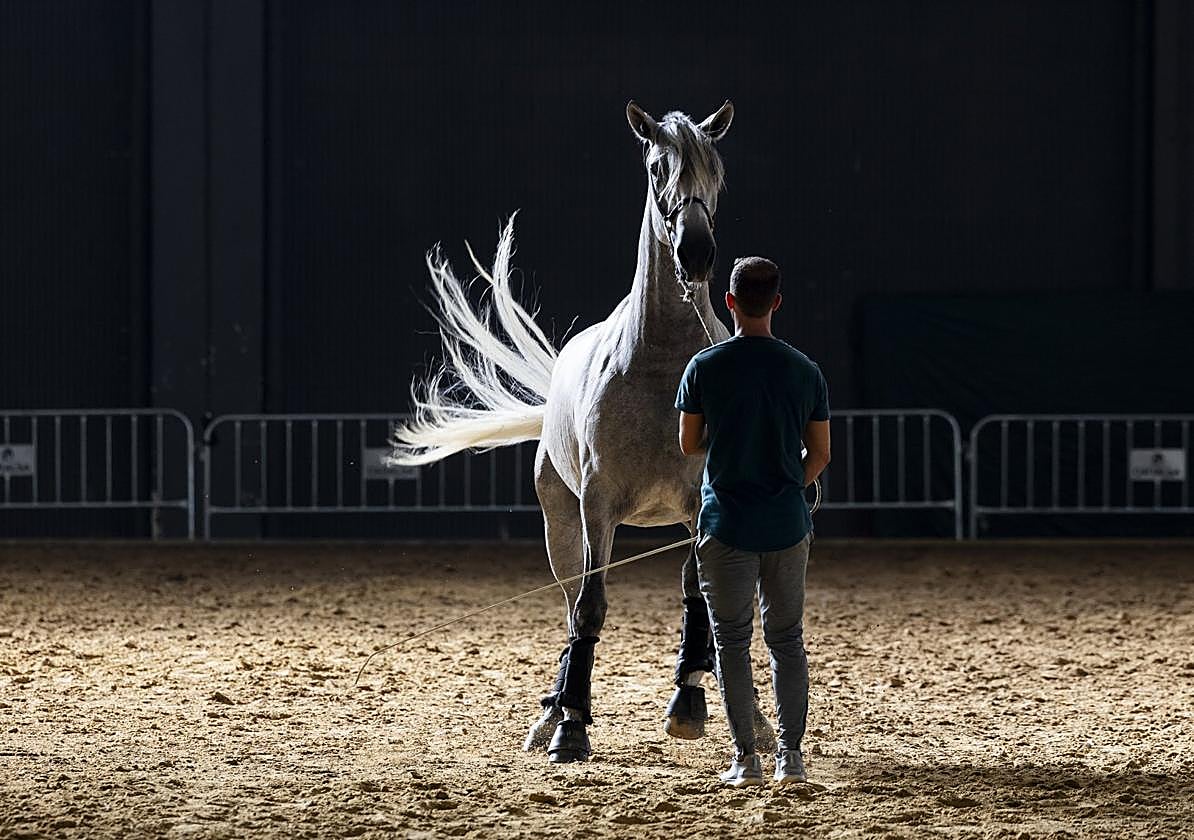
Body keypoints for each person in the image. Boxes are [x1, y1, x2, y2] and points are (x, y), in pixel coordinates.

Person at [674, 256, 831, 787]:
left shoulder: (704, 367)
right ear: (777, 302)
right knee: (787, 641)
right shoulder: (805, 370)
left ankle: (746, 759)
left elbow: (688, 443)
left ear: (730, 302)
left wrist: (730, 440)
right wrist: (788, 485)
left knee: (732, 644)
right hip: (786, 524)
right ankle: (792, 757)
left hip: (726, 527)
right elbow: (821, 454)